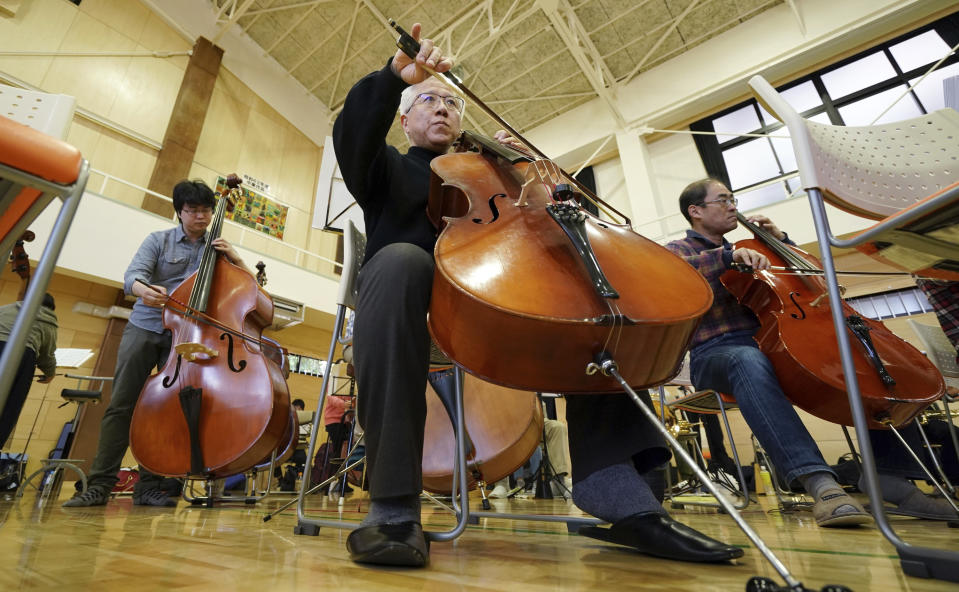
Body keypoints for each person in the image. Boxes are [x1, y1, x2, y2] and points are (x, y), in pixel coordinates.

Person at [331, 24, 742, 568]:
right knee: (399, 260)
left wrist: (536, 187)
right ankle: (392, 508)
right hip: (418, 311)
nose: (443, 109)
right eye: (428, 99)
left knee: (591, 291)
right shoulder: (388, 170)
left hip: (501, 305)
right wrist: (391, 79)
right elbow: (353, 136)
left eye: (452, 102)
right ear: (405, 118)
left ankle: (620, 491)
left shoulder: (489, 173)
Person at [665, 177, 874, 528]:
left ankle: (891, 470)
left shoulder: (753, 247)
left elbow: (805, 277)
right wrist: (727, 256)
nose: (734, 206)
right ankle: (819, 482)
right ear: (696, 211)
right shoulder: (679, 251)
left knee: (856, 355)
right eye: (723, 200)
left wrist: (779, 241)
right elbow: (680, 273)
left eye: (734, 198)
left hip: (771, 347)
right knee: (746, 359)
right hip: (716, 354)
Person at [63, 179, 249, 508]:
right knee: (122, 406)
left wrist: (235, 256)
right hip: (146, 327)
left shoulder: (218, 251)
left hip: (186, 338)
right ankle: (99, 485)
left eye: (206, 210)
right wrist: (143, 290)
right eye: (193, 210)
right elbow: (132, 277)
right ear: (179, 212)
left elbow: (249, 285)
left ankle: (149, 486)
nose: (201, 217)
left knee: (165, 412)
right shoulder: (158, 241)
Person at [0, 293, 57, 448]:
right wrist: (50, 373)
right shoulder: (48, 320)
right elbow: (47, 355)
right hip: (22, 355)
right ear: (51, 308)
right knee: (9, 406)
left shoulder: (6, 308)